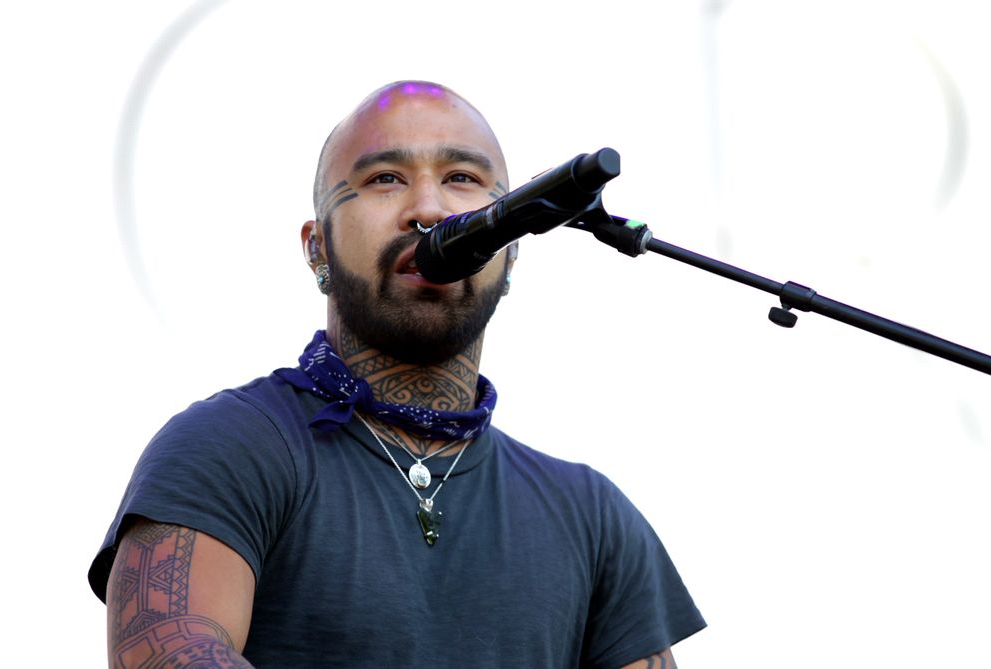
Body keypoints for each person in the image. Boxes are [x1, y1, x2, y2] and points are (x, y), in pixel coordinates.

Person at [89, 80, 706, 669]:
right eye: (385, 178)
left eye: (462, 179)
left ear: (513, 249)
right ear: (317, 248)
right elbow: (167, 651)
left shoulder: (593, 515)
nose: (429, 208)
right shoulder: (228, 447)